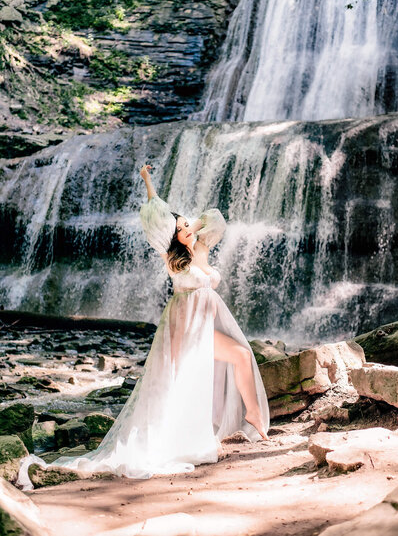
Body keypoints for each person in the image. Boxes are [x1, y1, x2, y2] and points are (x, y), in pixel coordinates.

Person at [17, 165, 269, 490]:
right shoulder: (172, 256)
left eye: (187, 224)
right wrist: (148, 182)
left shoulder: (200, 248)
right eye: (181, 227)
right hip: (186, 324)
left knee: (240, 355)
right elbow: (157, 216)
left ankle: (253, 416)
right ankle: (204, 430)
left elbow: (215, 219)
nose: (187, 228)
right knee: (207, 369)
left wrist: (194, 224)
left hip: (205, 321)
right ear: (172, 233)